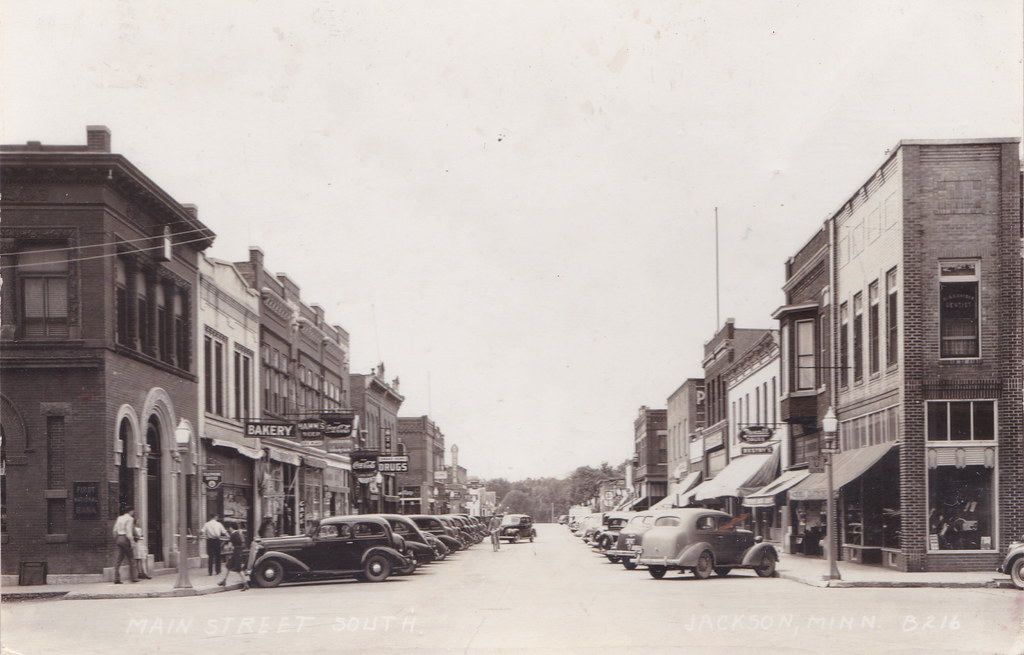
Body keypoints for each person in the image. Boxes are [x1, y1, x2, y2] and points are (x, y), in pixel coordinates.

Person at [218, 522, 250, 591]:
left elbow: (229, 546)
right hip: (239, 552)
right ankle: (224, 581)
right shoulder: (239, 533)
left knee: (238, 569)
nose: (229, 529)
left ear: (232, 528)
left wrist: (226, 548)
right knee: (229, 566)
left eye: (229, 528)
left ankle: (245, 584)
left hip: (236, 553)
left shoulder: (233, 534)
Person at [112, 507, 137, 584]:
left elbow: (114, 530)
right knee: (131, 558)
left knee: (119, 560)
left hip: (119, 538)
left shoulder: (119, 518)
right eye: (133, 511)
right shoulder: (130, 519)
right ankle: (133, 578)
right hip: (125, 539)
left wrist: (116, 539)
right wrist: (132, 542)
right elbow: (129, 531)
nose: (133, 513)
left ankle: (116, 578)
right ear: (131, 511)